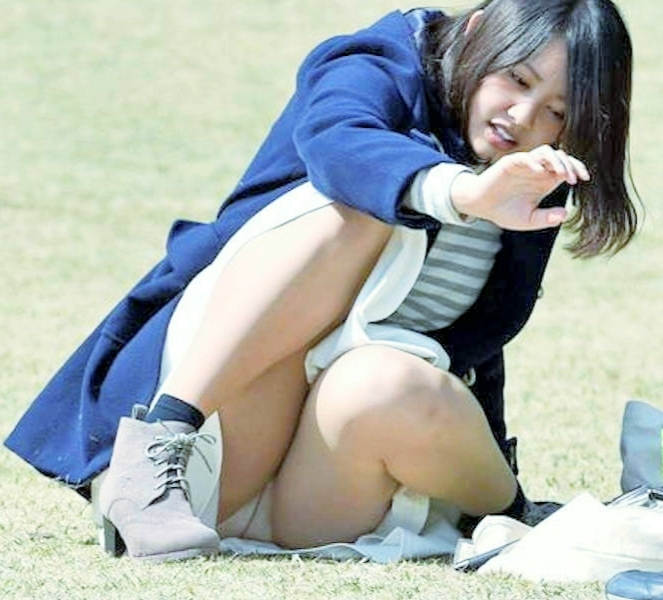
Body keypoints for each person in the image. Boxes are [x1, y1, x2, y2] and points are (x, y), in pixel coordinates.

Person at [5, 0, 637, 562]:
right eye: (516, 79)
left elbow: (473, 345)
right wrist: (462, 194)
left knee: (383, 379)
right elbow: (339, 143)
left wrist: (493, 469)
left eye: (557, 111)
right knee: (359, 208)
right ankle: (156, 444)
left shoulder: (530, 178)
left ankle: (522, 516)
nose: (522, 117)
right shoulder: (384, 59)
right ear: (477, 33)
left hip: (322, 493)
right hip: (216, 445)